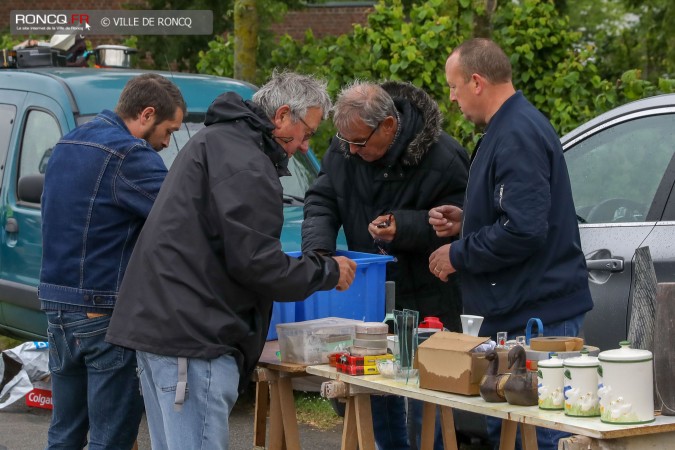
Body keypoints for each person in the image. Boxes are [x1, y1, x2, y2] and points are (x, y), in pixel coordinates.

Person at [105, 71, 357, 450]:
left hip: (167, 330)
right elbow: (258, 264)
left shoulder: (218, 142)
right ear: (282, 116)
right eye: (307, 133)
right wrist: (328, 270)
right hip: (193, 338)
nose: (306, 146)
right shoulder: (246, 161)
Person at [428, 38, 594, 450]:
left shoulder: (517, 133)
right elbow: (521, 214)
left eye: (453, 86)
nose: (451, 98)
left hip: (538, 320)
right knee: (511, 433)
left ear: (477, 82)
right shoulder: (509, 127)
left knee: (541, 435)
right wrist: (468, 222)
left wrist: (459, 253)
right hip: (520, 312)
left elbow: (525, 230)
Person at [302, 80, 469, 450]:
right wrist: (320, 252)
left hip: (431, 298)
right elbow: (320, 202)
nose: (352, 150)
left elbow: (464, 226)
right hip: (369, 296)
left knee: (433, 400)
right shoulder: (345, 148)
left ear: (389, 127)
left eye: (360, 142)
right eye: (346, 142)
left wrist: (405, 227)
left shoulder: (445, 156)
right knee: (372, 392)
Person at [39, 73, 186, 449]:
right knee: (110, 440)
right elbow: (181, 217)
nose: (166, 143)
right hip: (101, 311)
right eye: (168, 130)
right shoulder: (130, 154)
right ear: (147, 113)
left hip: (57, 309)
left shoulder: (66, 143)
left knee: (64, 434)